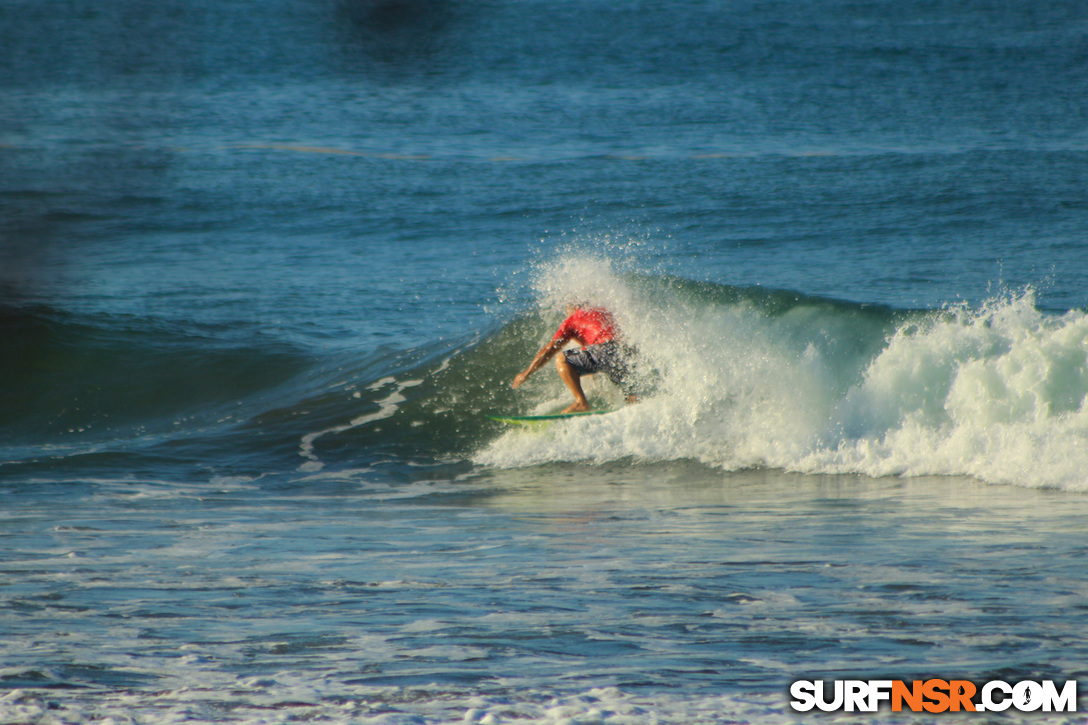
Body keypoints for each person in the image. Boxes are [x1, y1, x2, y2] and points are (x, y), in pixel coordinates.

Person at [512, 303, 638, 413]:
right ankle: (633, 406)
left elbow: (549, 350)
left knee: (562, 359)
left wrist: (527, 373)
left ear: (574, 307)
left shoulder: (573, 319)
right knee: (630, 396)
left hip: (605, 349)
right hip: (624, 352)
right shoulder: (602, 311)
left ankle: (581, 403)